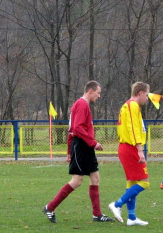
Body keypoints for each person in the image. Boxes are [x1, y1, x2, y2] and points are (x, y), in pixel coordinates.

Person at [42, 80, 114, 223]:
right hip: (82, 145)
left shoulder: (82, 105)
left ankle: (97, 214)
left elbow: (71, 129)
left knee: (95, 178)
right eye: (98, 93)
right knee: (77, 180)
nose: (99, 96)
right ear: (90, 91)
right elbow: (77, 129)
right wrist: (93, 143)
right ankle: (50, 207)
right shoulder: (81, 105)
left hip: (84, 146)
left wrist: (69, 151)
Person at [108, 82, 150, 226]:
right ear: (140, 93)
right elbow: (133, 128)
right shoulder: (132, 105)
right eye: (146, 95)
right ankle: (117, 204)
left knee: (132, 182)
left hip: (126, 146)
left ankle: (131, 217)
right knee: (144, 182)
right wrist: (139, 149)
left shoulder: (129, 105)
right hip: (131, 147)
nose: (147, 98)